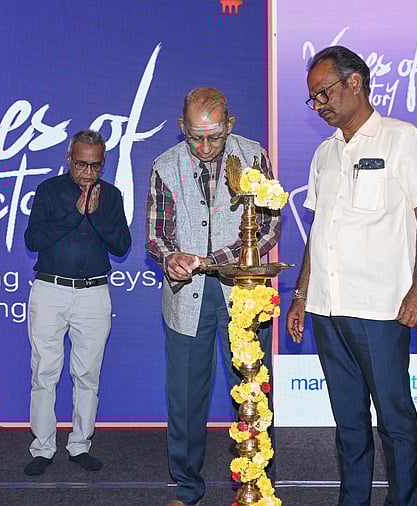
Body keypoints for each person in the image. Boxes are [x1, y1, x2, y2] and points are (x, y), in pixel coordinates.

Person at [286, 45, 417, 506]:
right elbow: (319, 229)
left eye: (325, 92)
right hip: (327, 307)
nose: (319, 104)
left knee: (395, 420)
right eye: (313, 97)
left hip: (380, 307)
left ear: (355, 82)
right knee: (349, 422)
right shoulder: (324, 153)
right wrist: (301, 295)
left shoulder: (402, 138)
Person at [146, 87, 281, 506]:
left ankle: (258, 484)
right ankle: (187, 486)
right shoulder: (165, 166)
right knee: (185, 398)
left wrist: (210, 260)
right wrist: (170, 257)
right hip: (187, 298)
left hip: (244, 295)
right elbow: (156, 233)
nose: (205, 146)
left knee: (254, 392)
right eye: (195, 137)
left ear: (230, 125)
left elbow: (269, 228)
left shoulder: (253, 156)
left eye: (215, 136)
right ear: (181, 127)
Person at [23, 129, 131, 476]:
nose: (87, 172)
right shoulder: (49, 190)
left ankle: (80, 444)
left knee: (87, 374)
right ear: (69, 159)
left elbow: (122, 245)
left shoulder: (111, 196)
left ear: (103, 163)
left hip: (94, 293)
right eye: (81, 164)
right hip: (50, 289)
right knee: (44, 372)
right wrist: (76, 213)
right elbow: (33, 239)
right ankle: (42, 448)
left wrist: (95, 215)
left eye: (95, 166)